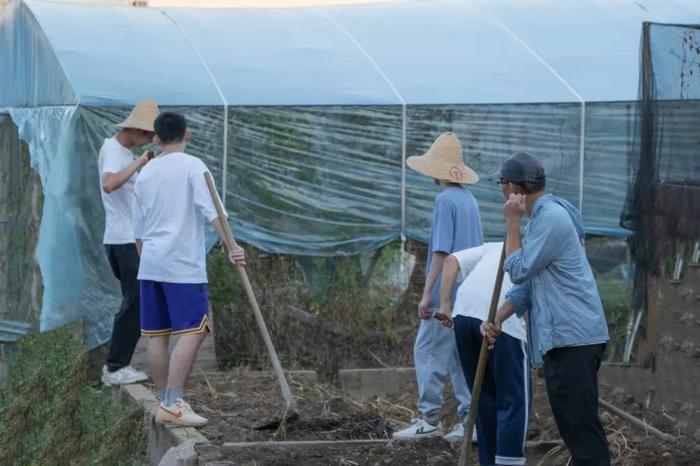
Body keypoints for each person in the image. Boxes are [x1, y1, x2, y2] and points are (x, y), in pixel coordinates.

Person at [482, 152, 611, 465]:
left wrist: (511, 222)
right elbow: (528, 287)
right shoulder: (544, 218)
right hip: (568, 340)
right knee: (576, 430)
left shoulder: (550, 218)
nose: (500, 190)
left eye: (502, 184)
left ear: (513, 187)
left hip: (573, 339)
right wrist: (496, 319)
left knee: (582, 432)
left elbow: (519, 269)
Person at [133, 111, 245, 427]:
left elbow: (137, 233)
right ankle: (172, 401)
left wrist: (147, 261)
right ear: (188, 134)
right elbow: (215, 215)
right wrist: (232, 248)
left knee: (157, 336)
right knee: (195, 330)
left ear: (156, 138)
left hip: (151, 264)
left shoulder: (146, 173)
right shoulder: (194, 167)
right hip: (181, 265)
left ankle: (163, 401)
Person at [393, 132, 484, 442]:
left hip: (446, 292)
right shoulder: (469, 200)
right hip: (468, 292)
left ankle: (428, 418)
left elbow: (442, 252)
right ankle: (469, 421)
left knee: (428, 351)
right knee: (461, 356)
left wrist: (426, 294)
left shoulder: (444, 200)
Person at [437, 242, 529, 466]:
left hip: (463, 315)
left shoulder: (494, 246)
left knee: (484, 399)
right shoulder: (539, 251)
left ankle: (489, 461)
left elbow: (450, 262)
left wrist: (445, 306)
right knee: (513, 401)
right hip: (501, 319)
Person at [99, 99, 160, 386]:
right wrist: (139, 162)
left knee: (136, 300)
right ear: (135, 130)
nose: (148, 141)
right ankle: (114, 367)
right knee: (134, 302)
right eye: (147, 135)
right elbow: (109, 185)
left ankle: (119, 365)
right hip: (122, 239)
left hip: (129, 238)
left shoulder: (123, 153)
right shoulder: (113, 150)